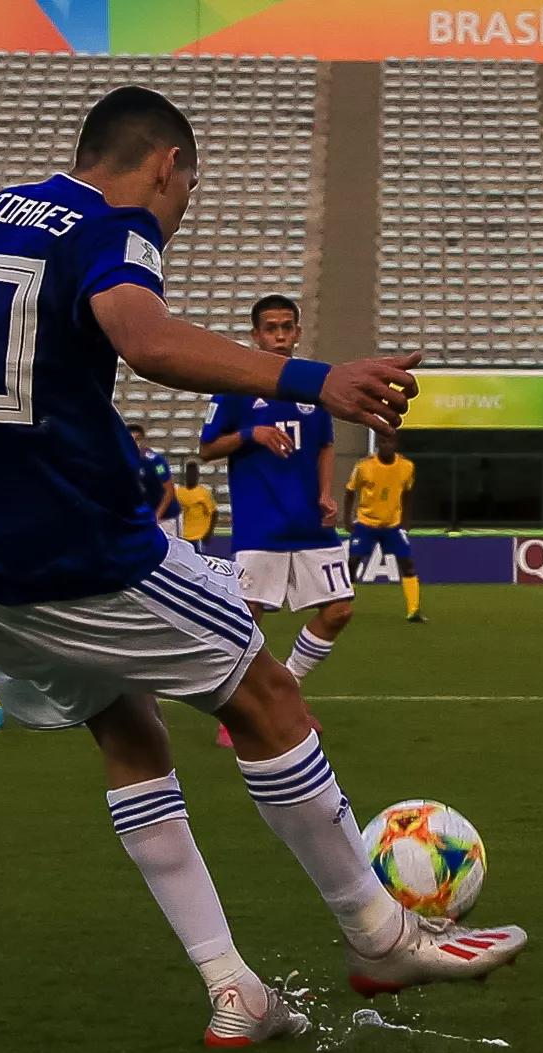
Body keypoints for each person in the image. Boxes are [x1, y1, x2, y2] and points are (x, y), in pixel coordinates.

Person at [0, 86, 524, 1046]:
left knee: (128, 734)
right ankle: (380, 931)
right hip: (80, 545)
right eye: (187, 189)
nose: (182, 209)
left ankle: (234, 988)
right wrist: (316, 377)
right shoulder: (116, 225)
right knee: (268, 697)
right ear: (165, 166)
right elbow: (143, 341)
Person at [201, 294, 356, 731]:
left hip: (309, 522)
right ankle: (234, 714)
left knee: (340, 609)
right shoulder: (235, 384)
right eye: (271, 328)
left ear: (298, 332)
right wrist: (253, 432)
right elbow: (207, 448)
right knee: (247, 621)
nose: (280, 336)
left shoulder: (312, 382)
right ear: (256, 335)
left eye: (287, 327)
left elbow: (324, 444)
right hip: (260, 524)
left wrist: (326, 493)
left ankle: (286, 690)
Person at [345, 433, 423, 622]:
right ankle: (342, 606)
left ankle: (414, 610)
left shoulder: (406, 467)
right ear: (378, 443)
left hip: (393, 525)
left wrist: (406, 521)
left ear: (395, 444)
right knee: (353, 562)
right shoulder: (364, 467)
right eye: (383, 442)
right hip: (366, 523)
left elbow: (408, 493)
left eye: (390, 442)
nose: (386, 445)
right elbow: (350, 491)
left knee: (407, 564)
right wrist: (347, 520)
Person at [130, 424, 182, 538]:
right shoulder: (126, 462)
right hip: (145, 517)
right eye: (131, 440)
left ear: (143, 441)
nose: (135, 444)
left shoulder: (156, 462)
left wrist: (157, 516)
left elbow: (169, 490)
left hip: (166, 516)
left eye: (137, 439)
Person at [174, 460, 217, 552]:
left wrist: (208, 533)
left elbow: (214, 513)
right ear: (186, 476)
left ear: (197, 476)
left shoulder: (203, 493)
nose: (191, 477)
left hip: (198, 537)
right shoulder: (180, 492)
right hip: (183, 536)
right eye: (189, 474)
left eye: (194, 474)